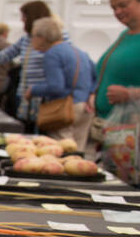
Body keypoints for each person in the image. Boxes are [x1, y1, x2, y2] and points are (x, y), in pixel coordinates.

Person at [0, 0, 59, 129]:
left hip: (44, 98)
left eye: (24, 17)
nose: (21, 20)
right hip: (25, 97)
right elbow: (2, 57)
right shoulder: (26, 39)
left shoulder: (57, 37)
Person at [25, 17, 96, 147]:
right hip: (85, 107)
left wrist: (33, 90)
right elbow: (96, 75)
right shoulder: (78, 51)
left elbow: (56, 86)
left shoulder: (52, 54)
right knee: (78, 148)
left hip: (66, 108)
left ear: (42, 37)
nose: (32, 41)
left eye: (33, 36)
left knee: (61, 147)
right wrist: (91, 93)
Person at [92, 0, 140, 125]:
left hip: (138, 132)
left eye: (123, 5)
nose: (118, 11)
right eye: (114, 8)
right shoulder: (125, 35)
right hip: (115, 128)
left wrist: (130, 94)